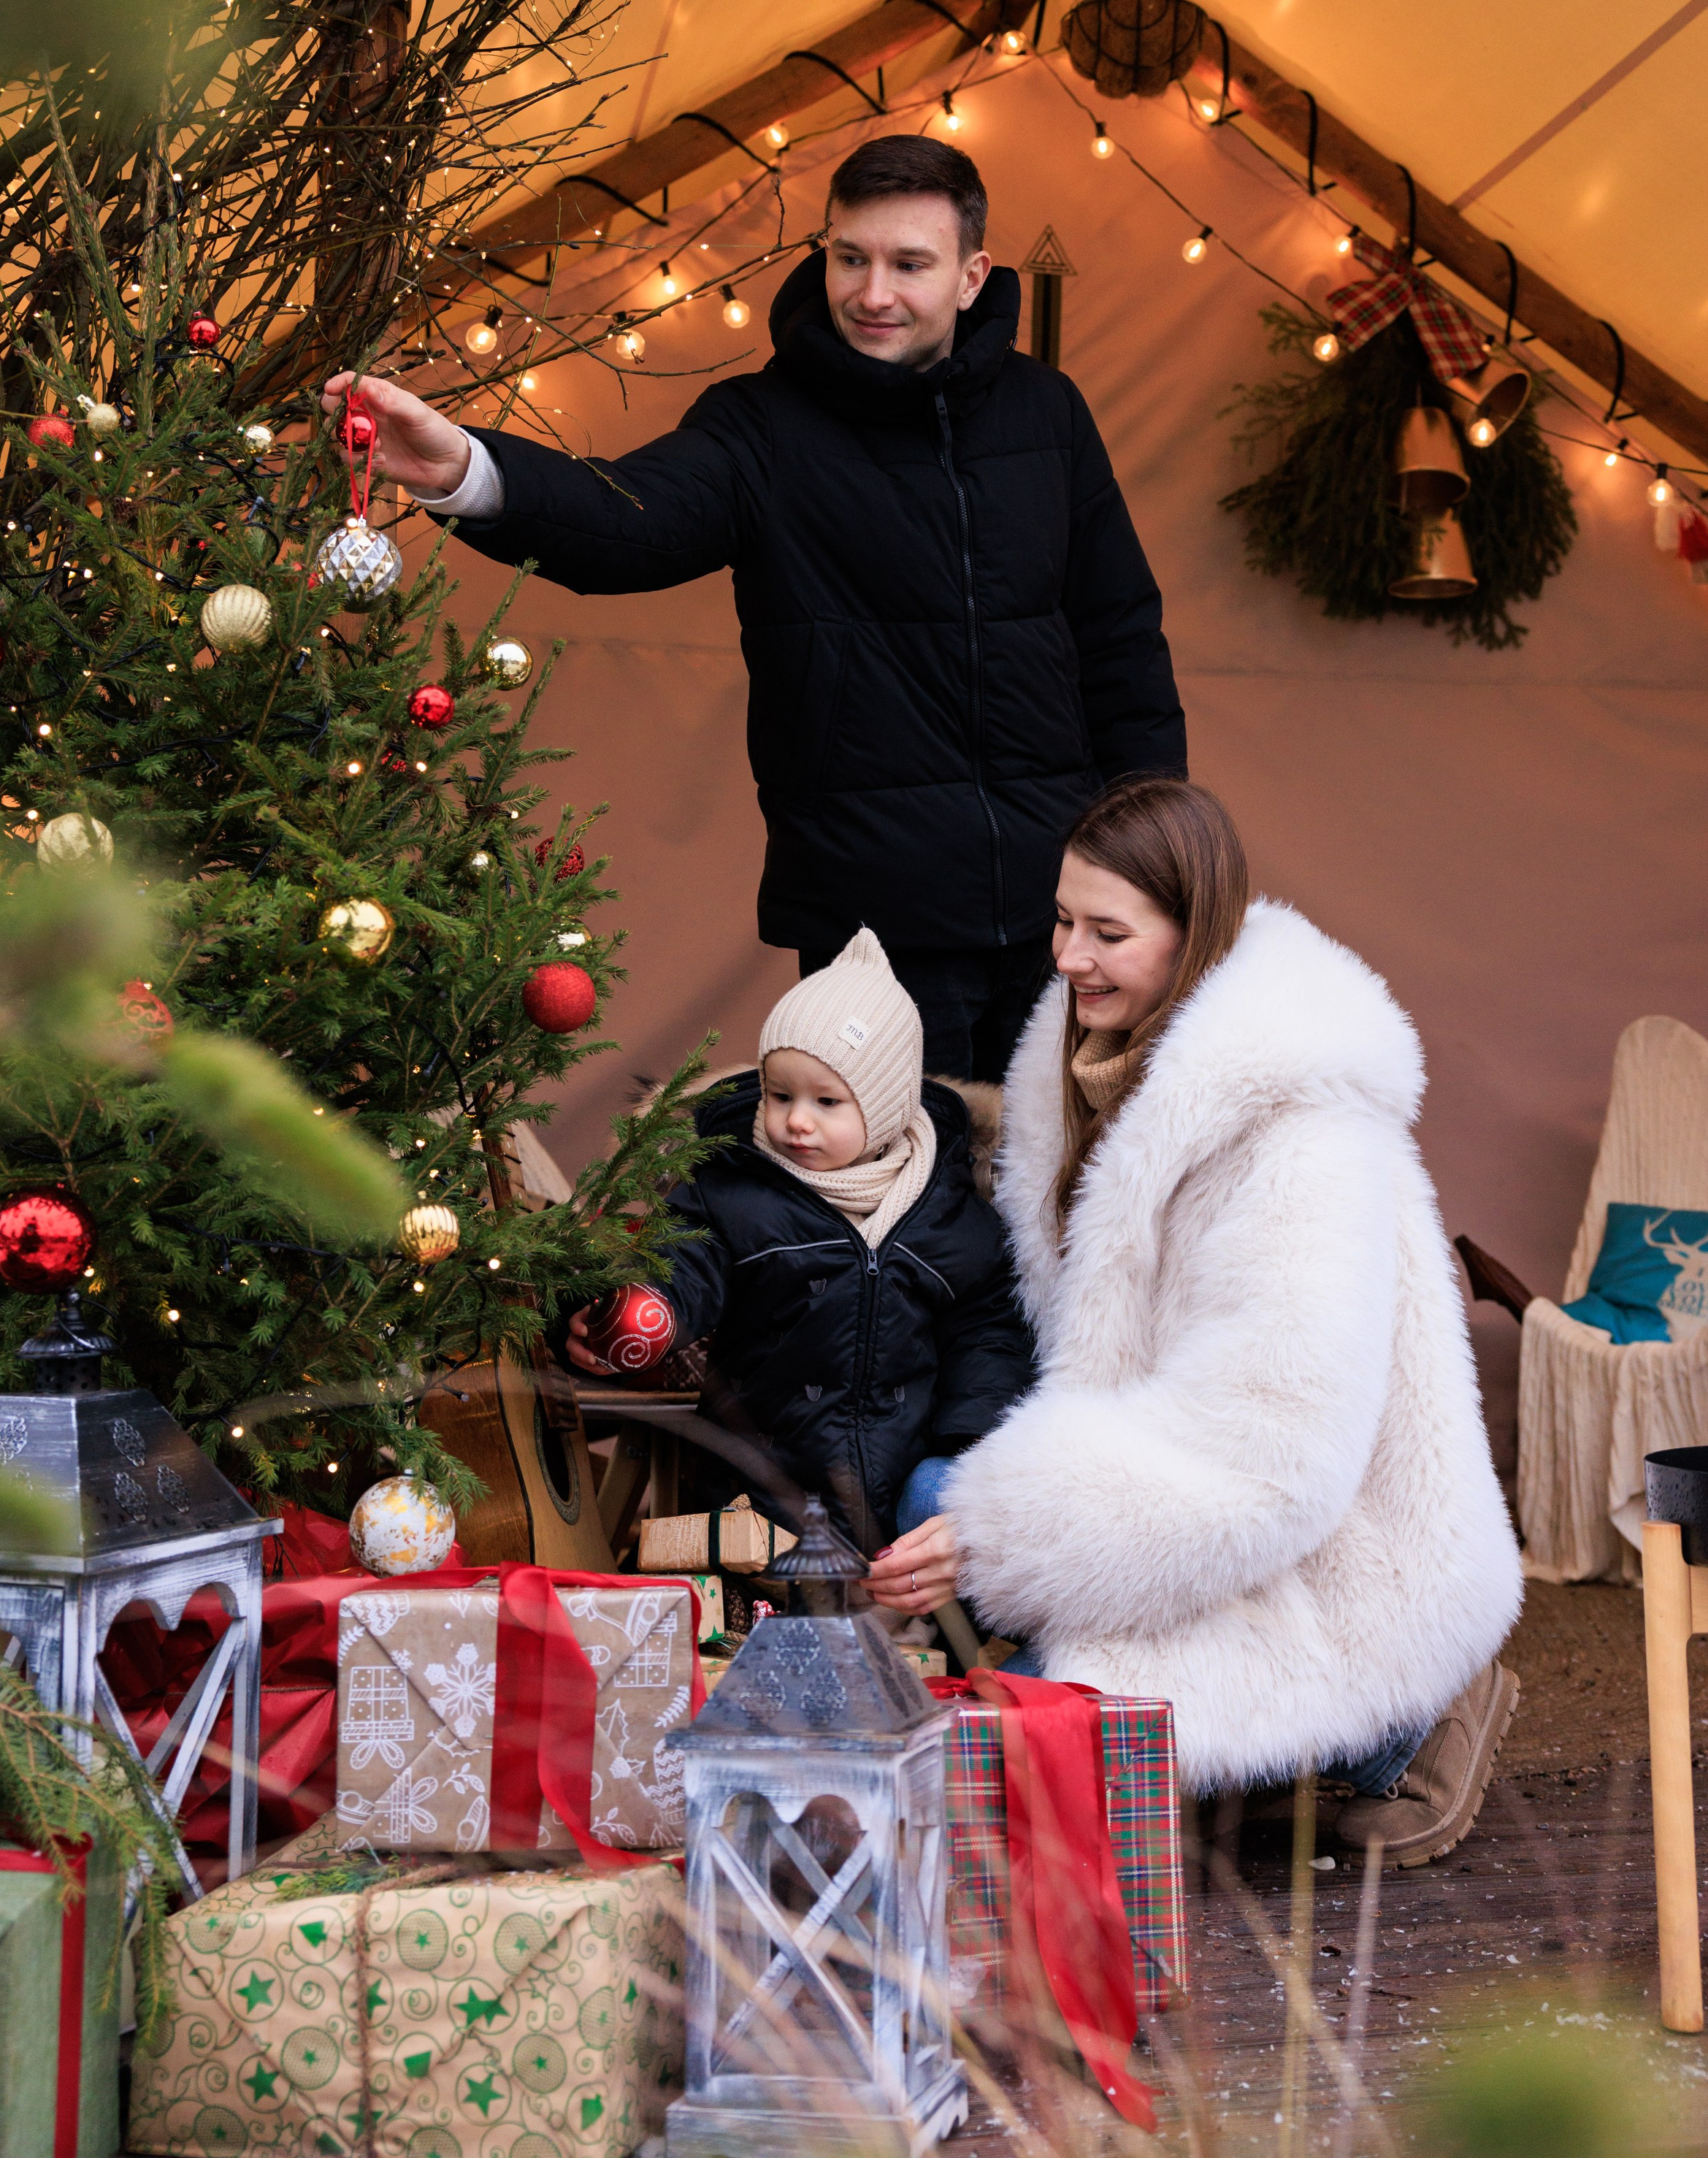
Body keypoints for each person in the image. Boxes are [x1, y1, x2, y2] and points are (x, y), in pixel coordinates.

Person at [325, 132, 1185, 1082]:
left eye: (909, 264)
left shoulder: (1047, 414)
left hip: (1063, 917)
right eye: (850, 258)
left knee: (1066, 1168)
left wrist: (1150, 868)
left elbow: (1120, 641)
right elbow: (628, 522)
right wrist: (466, 469)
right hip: (874, 920)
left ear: (971, 276)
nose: (872, 292)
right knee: (901, 1176)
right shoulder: (762, 425)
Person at [870, 776, 1523, 1867]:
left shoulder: (1302, 1141)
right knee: (928, 1496)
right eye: (1062, 922)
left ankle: (1407, 1720)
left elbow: (1269, 1462)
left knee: (991, 1759)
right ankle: (1227, 1751)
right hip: (1182, 1506)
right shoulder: (1092, 1077)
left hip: (1331, 1558)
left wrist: (1003, 1534)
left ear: (1195, 934)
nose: (1068, 957)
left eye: (1108, 933)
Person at [561, 925, 1035, 1555]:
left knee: (933, 1522)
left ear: (887, 1107)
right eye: (780, 1095)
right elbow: (683, 1262)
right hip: (762, 1489)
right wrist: (645, 1311)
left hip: (897, 1488)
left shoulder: (948, 1213)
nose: (796, 1121)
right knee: (765, 1594)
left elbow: (986, 1332)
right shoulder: (734, 1190)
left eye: (827, 1102)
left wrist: (970, 1439)